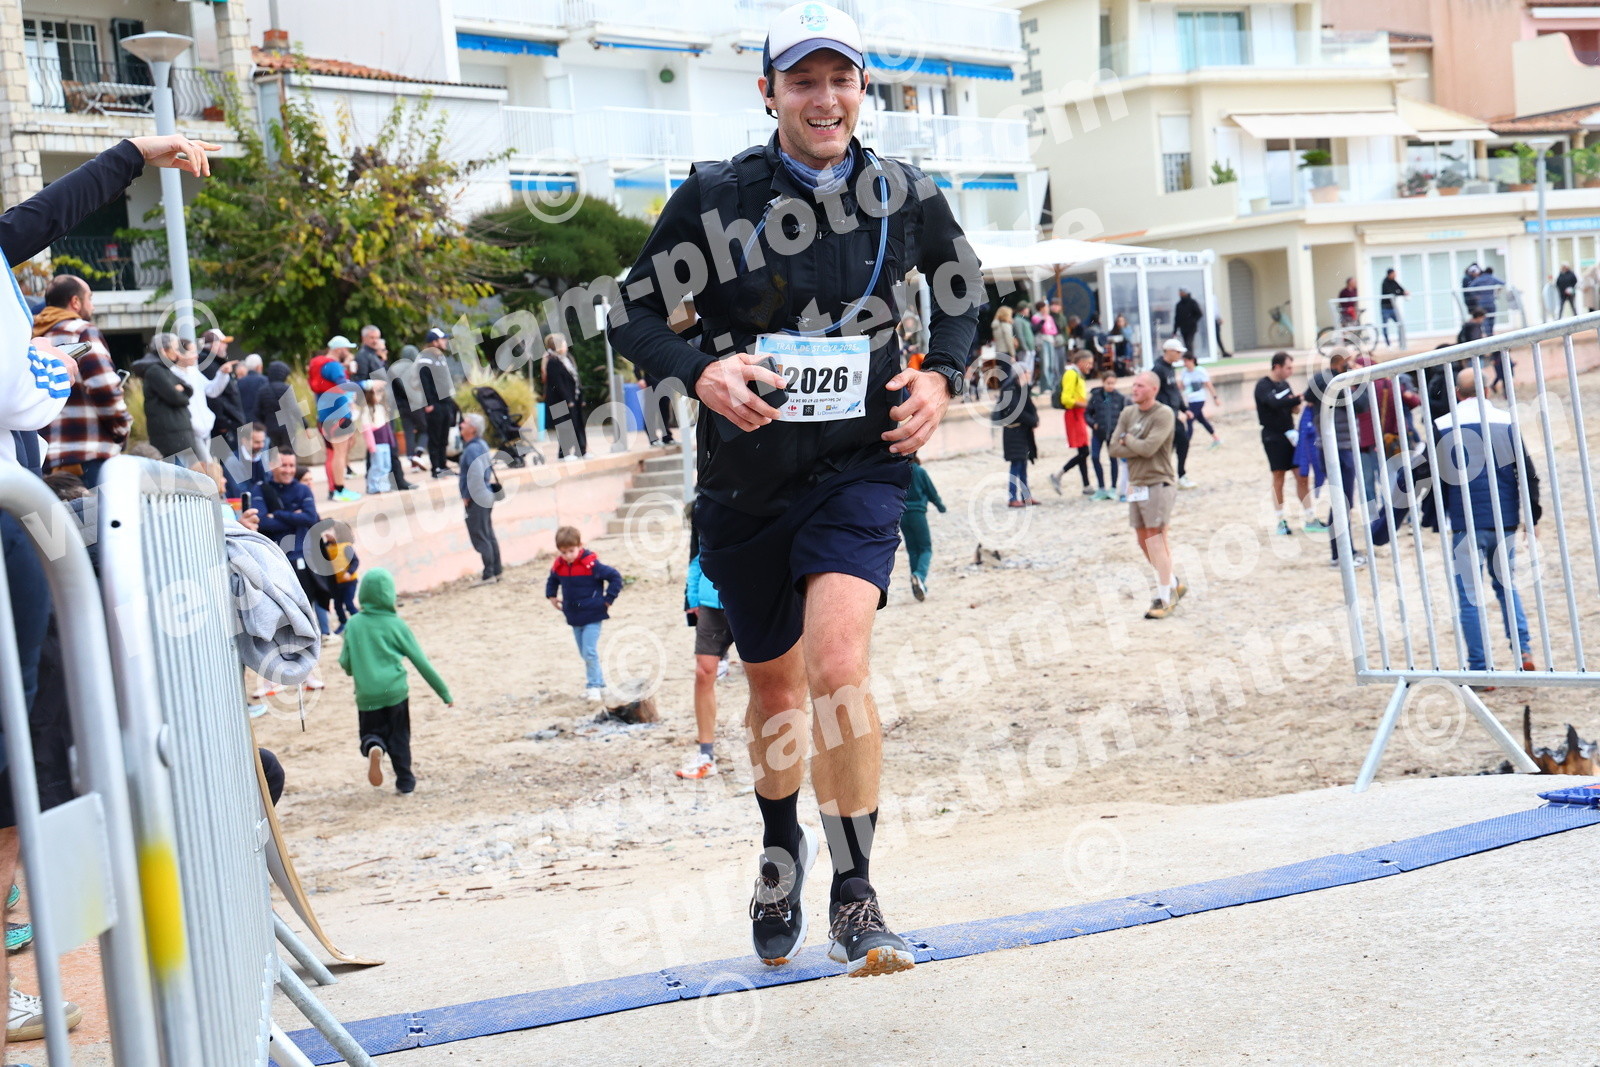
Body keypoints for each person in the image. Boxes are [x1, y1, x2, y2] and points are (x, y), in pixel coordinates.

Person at [607, 0, 980, 978]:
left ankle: (856, 892)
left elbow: (963, 291)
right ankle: (781, 847)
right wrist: (700, 372)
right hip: (745, 481)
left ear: (862, 88)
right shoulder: (715, 197)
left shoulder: (905, 195)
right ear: (768, 91)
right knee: (774, 690)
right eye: (803, 80)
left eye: (840, 79)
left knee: (838, 664)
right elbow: (631, 313)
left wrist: (941, 376)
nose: (824, 98)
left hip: (860, 465)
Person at [1435, 367, 1541, 677]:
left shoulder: (1443, 425)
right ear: (1487, 390)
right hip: (1503, 520)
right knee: (1507, 588)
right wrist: (1531, 517)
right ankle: (1523, 650)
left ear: (1457, 393)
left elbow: (1428, 474)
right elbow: (1527, 473)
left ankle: (1481, 669)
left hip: (1465, 522)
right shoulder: (1506, 421)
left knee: (1470, 598)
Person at [338, 567, 453, 794]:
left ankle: (375, 746)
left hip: (367, 695)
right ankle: (405, 782)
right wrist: (444, 693)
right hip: (395, 692)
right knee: (400, 737)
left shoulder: (353, 624)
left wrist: (356, 670)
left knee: (370, 732)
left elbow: (345, 661)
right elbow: (421, 662)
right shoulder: (396, 624)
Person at [36, 274, 130, 487]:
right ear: (75, 302)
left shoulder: (32, 337)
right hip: (88, 458)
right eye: (90, 298)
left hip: (46, 461)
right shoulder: (81, 330)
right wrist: (122, 429)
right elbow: (104, 387)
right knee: (95, 510)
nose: (92, 306)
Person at [1109, 372, 1184, 619]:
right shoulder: (1127, 413)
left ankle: (1164, 597)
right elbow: (1113, 448)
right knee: (1142, 540)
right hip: (1136, 484)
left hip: (1158, 483)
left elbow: (1150, 448)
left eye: (1140, 385)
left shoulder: (1163, 414)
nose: (1134, 389)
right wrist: (1134, 445)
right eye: (1134, 385)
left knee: (1155, 538)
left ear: (1153, 389)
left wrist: (1128, 439)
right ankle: (1172, 583)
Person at [1303, 351, 1371, 569]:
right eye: (1348, 362)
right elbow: (1362, 404)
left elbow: (1308, 395)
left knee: (1341, 502)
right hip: (1340, 448)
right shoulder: (1335, 383)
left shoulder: (1322, 381)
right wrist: (1359, 379)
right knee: (1342, 502)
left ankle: (1343, 551)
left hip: (1333, 447)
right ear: (1340, 363)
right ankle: (1341, 554)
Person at [676, 534, 735, 780]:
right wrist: (692, 597)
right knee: (703, 672)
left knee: (766, 678)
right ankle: (706, 755)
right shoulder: (708, 515)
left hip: (751, 597)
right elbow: (698, 556)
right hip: (710, 602)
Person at [545, 526, 622, 701]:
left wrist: (608, 599)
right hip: (573, 615)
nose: (568, 556)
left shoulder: (591, 564)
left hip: (593, 613)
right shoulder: (559, 566)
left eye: (571, 551)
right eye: (563, 552)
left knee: (589, 651)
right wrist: (551, 596)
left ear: (580, 546)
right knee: (584, 653)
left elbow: (615, 577)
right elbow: (553, 580)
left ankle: (593, 685)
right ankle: (601, 685)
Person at [1255, 352, 1326, 536]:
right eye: (1288, 367)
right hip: (1273, 436)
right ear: (1277, 367)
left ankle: (1310, 517)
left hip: (1291, 435)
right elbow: (1274, 403)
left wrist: (1294, 405)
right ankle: (1280, 520)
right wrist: (1299, 399)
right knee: (1278, 476)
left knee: (1302, 475)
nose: (1290, 371)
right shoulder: (1263, 386)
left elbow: (1291, 407)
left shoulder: (1285, 385)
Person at [311, 336, 363, 501]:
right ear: (339, 349)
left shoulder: (322, 365)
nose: (348, 352)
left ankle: (334, 489)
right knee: (340, 453)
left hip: (325, 415)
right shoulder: (333, 366)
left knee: (332, 454)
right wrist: (367, 384)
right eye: (346, 349)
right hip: (338, 415)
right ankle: (340, 490)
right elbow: (344, 385)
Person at [140, 332, 199, 462]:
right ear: (164, 350)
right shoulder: (155, 371)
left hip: (177, 436)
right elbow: (176, 397)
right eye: (176, 349)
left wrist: (181, 391)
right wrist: (180, 392)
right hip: (171, 440)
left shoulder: (164, 369)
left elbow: (188, 389)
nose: (178, 353)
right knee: (177, 473)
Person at [458, 413, 503, 583]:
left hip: (478, 496)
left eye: (465, 423)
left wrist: (467, 496)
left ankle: (489, 574)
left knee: (480, 535)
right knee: (488, 534)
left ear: (473, 429)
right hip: (486, 494)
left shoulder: (472, 448)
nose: (461, 425)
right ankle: (496, 571)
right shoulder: (481, 445)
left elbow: (476, 474)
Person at [899, 453, 946, 600]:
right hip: (917, 514)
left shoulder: (898, 472)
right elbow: (932, 492)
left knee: (913, 550)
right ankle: (919, 575)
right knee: (926, 549)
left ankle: (918, 586)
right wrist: (941, 507)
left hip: (901, 516)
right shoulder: (919, 471)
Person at [1049, 350, 1094, 496]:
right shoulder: (1071, 374)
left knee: (1082, 451)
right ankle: (1058, 475)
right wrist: (1086, 404)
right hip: (1074, 415)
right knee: (1084, 451)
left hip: (1079, 414)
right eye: (1089, 363)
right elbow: (1066, 399)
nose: (1091, 366)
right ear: (1080, 362)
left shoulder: (1077, 374)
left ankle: (1086, 485)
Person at [417, 327, 460, 477]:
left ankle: (443, 465)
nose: (446, 341)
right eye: (443, 339)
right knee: (435, 436)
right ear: (434, 342)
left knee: (443, 436)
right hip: (435, 404)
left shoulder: (440, 357)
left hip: (445, 402)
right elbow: (424, 383)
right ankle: (435, 468)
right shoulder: (425, 359)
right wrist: (428, 403)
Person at [994, 356, 1038, 507]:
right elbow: (1015, 410)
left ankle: (1026, 496)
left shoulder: (1022, 388)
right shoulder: (1009, 389)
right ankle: (1012, 497)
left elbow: (1030, 407)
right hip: (1013, 433)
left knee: (1023, 464)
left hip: (1023, 432)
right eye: (1027, 373)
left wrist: (1034, 419)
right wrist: (1032, 420)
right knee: (1016, 465)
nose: (1029, 375)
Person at [1151, 337, 1194, 488]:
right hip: (1166, 414)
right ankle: (1167, 477)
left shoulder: (1170, 368)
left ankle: (1177, 475)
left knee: (1180, 443)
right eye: (1177, 352)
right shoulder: (1158, 369)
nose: (1179, 355)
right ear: (1169, 351)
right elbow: (1156, 393)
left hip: (1173, 413)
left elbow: (1174, 391)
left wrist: (1184, 409)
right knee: (1169, 446)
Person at [541, 332, 586, 460]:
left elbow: (576, 379)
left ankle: (581, 450)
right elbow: (558, 383)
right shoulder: (552, 361)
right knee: (564, 427)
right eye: (564, 342)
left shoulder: (567, 358)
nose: (566, 345)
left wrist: (581, 397)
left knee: (578, 425)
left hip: (574, 397)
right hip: (561, 400)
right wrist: (568, 400)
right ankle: (564, 453)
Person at [1085, 370, 1128, 500]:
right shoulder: (1096, 396)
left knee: (1113, 459)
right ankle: (1101, 487)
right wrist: (1093, 423)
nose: (1110, 386)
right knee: (1095, 457)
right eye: (1108, 383)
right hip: (1098, 432)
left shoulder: (1119, 397)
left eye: (1113, 383)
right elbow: (1087, 413)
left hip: (1113, 434)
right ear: (1103, 382)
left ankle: (1113, 487)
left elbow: (1124, 415)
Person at [254, 360, 302, 457]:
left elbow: (256, 412)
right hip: (287, 428)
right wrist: (305, 425)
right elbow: (295, 409)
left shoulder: (262, 390)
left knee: (272, 457)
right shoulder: (286, 389)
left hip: (270, 427)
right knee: (288, 454)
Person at [320, 524, 360, 634]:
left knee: (349, 603)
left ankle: (359, 622)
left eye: (329, 531)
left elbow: (355, 561)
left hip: (349, 582)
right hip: (336, 584)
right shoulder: (326, 547)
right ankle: (343, 624)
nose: (326, 534)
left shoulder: (345, 546)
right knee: (337, 606)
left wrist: (349, 572)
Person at [1180, 351, 1221, 448]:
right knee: (1202, 420)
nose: (1184, 364)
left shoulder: (1200, 371)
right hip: (1190, 399)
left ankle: (1186, 442)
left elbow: (1208, 384)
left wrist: (1215, 397)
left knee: (1189, 420)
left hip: (1199, 399)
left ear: (1192, 360)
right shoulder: (1184, 372)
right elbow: (1181, 386)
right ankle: (1216, 438)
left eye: (1186, 361)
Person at [1468, 265, 1505, 334]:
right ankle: (1490, 333)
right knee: (1491, 319)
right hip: (1491, 302)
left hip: (1482, 302)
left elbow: (1470, 287)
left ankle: (1488, 334)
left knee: (1484, 319)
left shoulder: (1479, 279)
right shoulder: (1492, 278)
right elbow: (1503, 283)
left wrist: (1476, 295)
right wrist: (1498, 291)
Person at [1379, 269, 1407, 346]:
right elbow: (1391, 292)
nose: (1395, 275)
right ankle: (1388, 344)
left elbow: (1400, 289)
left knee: (1400, 324)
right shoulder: (1385, 282)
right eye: (1394, 274)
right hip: (1385, 308)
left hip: (1392, 307)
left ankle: (1401, 343)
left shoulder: (1394, 281)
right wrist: (1401, 293)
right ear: (1389, 274)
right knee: (1385, 326)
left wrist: (1404, 292)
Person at [1173, 288, 1203, 357]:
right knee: (1186, 343)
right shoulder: (1179, 305)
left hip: (1191, 327)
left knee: (1189, 343)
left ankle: (1190, 358)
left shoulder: (1192, 302)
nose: (1180, 294)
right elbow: (1177, 318)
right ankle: (1188, 357)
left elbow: (1199, 314)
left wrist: (1192, 321)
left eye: (1181, 292)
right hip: (1183, 328)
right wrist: (1175, 330)